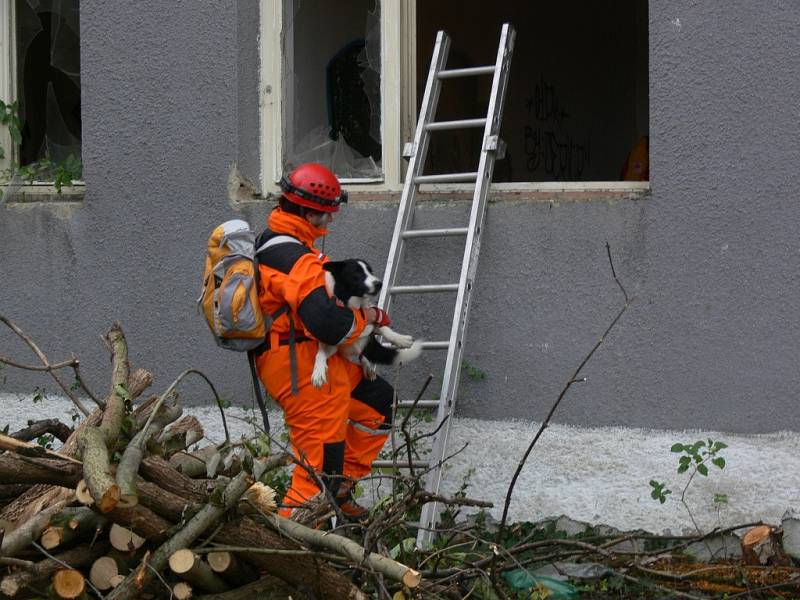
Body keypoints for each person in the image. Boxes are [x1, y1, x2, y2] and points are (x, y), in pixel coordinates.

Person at [254, 162, 394, 523]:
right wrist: (371, 318)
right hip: (300, 366)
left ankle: (339, 489)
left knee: (378, 404)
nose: (329, 223)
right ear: (306, 210)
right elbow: (331, 324)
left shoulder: (290, 249)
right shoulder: (293, 258)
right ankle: (285, 560)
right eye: (326, 215)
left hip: (315, 362)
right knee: (317, 472)